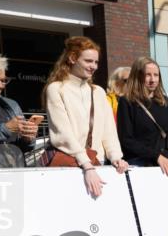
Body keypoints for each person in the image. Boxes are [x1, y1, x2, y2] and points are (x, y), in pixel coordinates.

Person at [43, 36, 128, 198]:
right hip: (71, 163)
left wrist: (116, 157)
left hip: (98, 162)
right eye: (88, 61)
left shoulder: (98, 92)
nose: (93, 66)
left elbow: (108, 131)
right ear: (73, 58)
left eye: (96, 62)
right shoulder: (56, 89)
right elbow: (63, 134)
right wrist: (86, 165)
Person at [116, 57, 168, 175]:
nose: (153, 80)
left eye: (156, 75)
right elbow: (126, 140)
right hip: (141, 165)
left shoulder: (164, 101)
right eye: (148, 75)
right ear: (137, 76)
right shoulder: (127, 101)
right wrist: (156, 156)